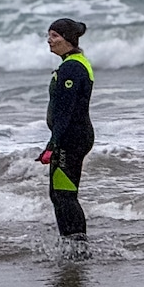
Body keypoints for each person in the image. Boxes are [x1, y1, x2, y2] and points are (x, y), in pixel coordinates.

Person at [39, 18, 95, 243]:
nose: (49, 41)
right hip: (71, 136)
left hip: (72, 138)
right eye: (49, 35)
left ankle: (77, 246)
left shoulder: (72, 67)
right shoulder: (72, 63)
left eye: (55, 36)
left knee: (64, 195)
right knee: (59, 194)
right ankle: (70, 242)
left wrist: (54, 143)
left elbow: (66, 111)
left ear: (68, 39)